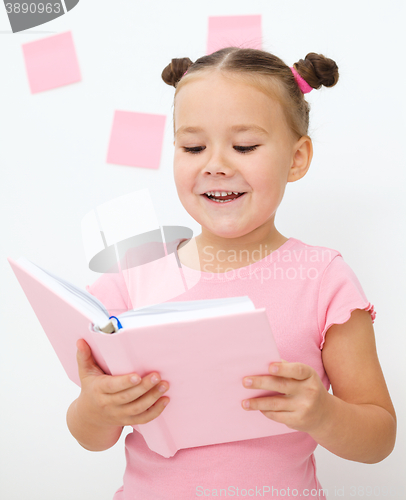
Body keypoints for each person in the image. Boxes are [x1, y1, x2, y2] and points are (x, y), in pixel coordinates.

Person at [67, 47, 396, 499]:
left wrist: (323, 414)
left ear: (297, 158)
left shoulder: (323, 280)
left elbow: (379, 438)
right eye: (193, 147)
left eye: (244, 146)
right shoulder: (130, 279)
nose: (215, 164)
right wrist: (97, 408)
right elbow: (91, 436)